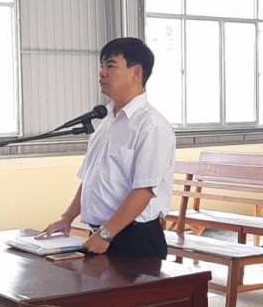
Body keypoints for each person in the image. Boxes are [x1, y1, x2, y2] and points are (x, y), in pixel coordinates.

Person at [39, 37, 176, 259]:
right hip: (101, 234)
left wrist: (106, 234)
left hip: (134, 238)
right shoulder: (106, 120)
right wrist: (67, 217)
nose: (102, 73)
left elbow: (144, 190)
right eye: (101, 66)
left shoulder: (151, 126)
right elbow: (90, 177)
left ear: (136, 72)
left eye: (111, 66)